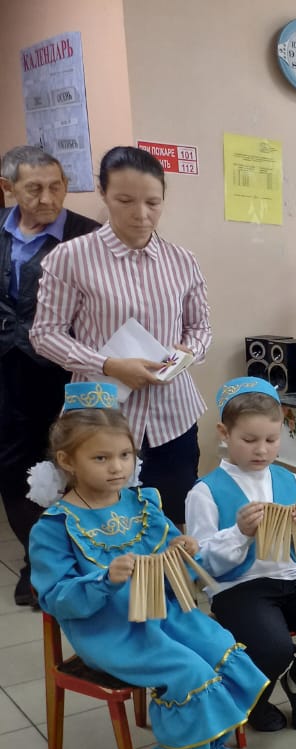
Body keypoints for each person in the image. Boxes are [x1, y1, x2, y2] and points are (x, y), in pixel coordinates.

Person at [27, 382, 266, 749]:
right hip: (111, 629)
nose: (116, 467)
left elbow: (172, 544)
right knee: (186, 672)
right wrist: (105, 579)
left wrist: (183, 545)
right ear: (68, 460)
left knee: (219, 647)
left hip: (164, 610)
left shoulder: (142, 504)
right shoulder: (55, 526)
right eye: (100, 458)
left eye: (124, 455)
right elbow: (56, 597)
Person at [30, 146, 212, 525]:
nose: (141, 214)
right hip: (100, 416)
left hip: (171, 416)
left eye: (153, 202)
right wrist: (109, 365)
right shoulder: (72, 257)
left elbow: (201, 328)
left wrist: (187, 353)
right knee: (104, 525)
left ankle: (167, 586)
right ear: (103, 192)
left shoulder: (182, 261)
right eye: (125, 200)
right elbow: (46, 334)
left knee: (171, 522)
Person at [186, 377, 296, 732]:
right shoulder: (204, 491)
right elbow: (201, 564)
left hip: (292, 576)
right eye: (249, 440)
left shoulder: (292, 483)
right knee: (273, 647)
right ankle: (253, 700)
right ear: (224, 433)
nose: (261, 450)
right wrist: (240, 533)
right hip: (238, 586)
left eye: (271, 440)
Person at [0, 146, 100, 607]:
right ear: (9, 188)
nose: (48, 198)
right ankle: (36, 561)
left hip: (65, 371)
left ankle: (73, 560)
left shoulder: (88, 237)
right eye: (34, 188)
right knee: (12, 468)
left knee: (68, 464)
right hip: (6, 370)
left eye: (56, 186)